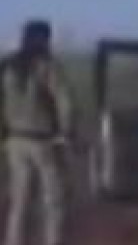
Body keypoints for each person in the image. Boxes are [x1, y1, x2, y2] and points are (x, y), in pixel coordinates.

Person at [0, 20, 75, 245]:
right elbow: (64, 100)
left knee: (19, 202)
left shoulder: (8, 65)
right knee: (53, 202)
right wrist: (66, 132)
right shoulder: (47, 65)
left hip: (14, 140)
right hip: (43, 140)